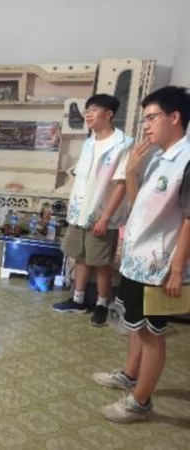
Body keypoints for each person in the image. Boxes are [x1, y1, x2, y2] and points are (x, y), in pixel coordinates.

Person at [93, 86, 190, 423]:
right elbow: (138, 206)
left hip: (159, 265)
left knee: (151, 334)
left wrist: (177, 269)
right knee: (136, 325)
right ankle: (130, 375)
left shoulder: (186, 161)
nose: (146, 126)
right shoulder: (161, 157)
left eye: (151, 118)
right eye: (144, 119)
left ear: (174, 117)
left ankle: (140, 402)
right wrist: (133, 171)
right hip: (138, 259)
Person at [52, 94, 133, 327]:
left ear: (109, 114)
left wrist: (105, 217)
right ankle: (78, 300)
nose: (88, 115)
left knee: (102, 263)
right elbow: (81, 179)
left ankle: (102, 304)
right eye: (87, 110)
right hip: (80, 212)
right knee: (80, 257)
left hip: (102, 215)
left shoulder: (124, 144)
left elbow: (122, 183)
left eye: (94, 110)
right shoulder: (88, 143)